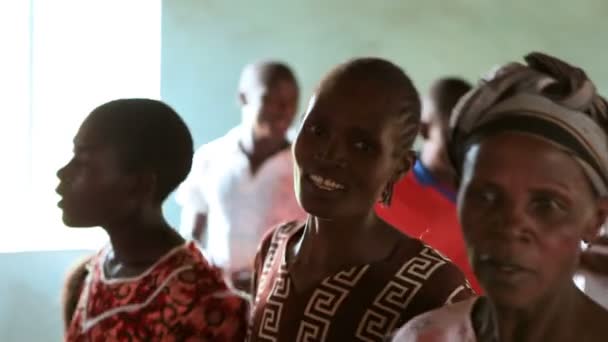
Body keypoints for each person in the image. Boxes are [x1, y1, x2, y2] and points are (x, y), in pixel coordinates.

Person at [247, 58, 474, 341]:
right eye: (317, 130)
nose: (329, 154)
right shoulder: (274, 247)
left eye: (362, 145)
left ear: (400, 167)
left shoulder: (432, 290)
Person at [393, 52, 608, 342]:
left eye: (546, 204)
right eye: (486, 197)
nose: (509, 226)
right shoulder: (423, 337)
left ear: (596, 219)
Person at [57, 99, 247, 341]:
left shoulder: (198, 301)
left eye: (84, 162)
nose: (63, 173)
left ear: (139, 184)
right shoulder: (98, 270)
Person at [175, 60, 306, 290]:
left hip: (280, 293)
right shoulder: (212, 157)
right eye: (272, 100)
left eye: (291, 102)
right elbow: (192, 235)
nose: (285, 111)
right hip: (218, 292)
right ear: (243, 98)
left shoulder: (304, 165)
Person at [376, 77, 481, 292]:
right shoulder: (386, 192)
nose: (464, 151)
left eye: (474, 139)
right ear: (423, 130)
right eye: (454, 138)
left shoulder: (488, 202)